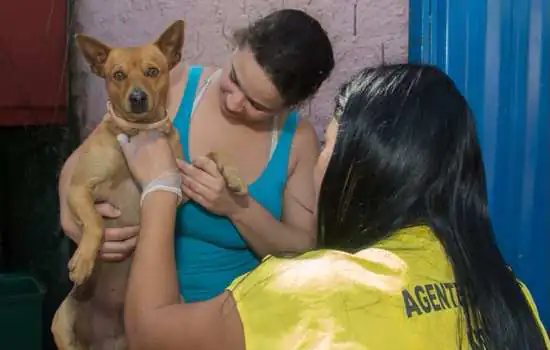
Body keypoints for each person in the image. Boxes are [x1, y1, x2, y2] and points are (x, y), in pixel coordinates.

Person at [119, 64, 549, 349]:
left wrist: (159, 188)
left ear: (360, 164)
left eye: (329, 144)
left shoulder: (309, 292)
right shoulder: (508, 295)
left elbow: (147, 332)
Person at [58, 9, 335, 301]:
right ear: (234, 49)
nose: (234, 101)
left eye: (257, 105)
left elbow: (302, 252)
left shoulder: (298, 139)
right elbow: (83, 159)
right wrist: (72, 218)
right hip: (140, 313)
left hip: (240, 319)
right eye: (234, 79)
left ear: (289, 107)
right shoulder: (172, 84)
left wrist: (236, 208)